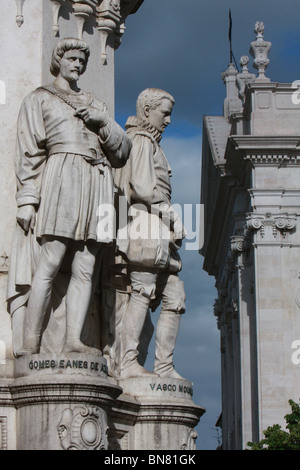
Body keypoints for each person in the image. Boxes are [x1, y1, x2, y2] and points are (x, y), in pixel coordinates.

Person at [8, 38, 131, 356]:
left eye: (82, 60)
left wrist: (101, 122)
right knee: (49, 261)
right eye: (72, 58)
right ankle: (30, 341)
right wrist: (27, 198)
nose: (77, 64)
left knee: (86, 266)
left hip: (96, 181)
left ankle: (73, 340)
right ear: (58, 61)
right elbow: (30, 151)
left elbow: (121, 152)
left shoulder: (95, 104)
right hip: (62, 177)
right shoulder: (41, 98)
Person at [115, 88, 186, 379]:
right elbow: (142, 188)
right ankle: (127, 362)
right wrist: (171, 216)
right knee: (142, 292)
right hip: (145, 225)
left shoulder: (151, 144)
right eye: (164, 113)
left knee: (175, 297)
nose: (168, 120)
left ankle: (164, 367)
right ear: (147, 111)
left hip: (158, 229)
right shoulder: (142, 140)